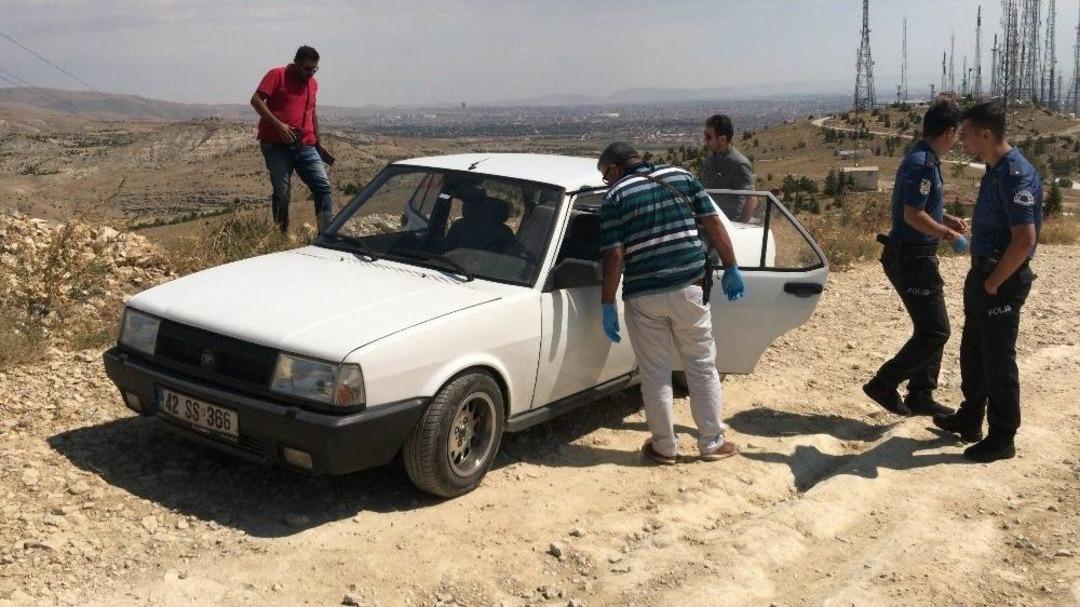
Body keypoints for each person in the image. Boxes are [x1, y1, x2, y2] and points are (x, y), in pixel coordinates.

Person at [597, 142, 746, 465]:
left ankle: (664, 447)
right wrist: (731, 266)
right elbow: (713, 224)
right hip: (689, 287)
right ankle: (712, 443)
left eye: (605, 175)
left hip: (644, 294)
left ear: (615, 168)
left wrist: (607, 303)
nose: (606, 182)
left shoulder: (616, 196)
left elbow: (615, 254)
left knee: (655, 373)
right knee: (702, 366)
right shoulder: (682, 176)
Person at [934, 102, 1042, 462]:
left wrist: (995, 282)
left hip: (1002, 278)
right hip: (985, 273)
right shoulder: (995, 169)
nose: (962, 141)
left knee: (997, 358)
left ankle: (1002, 436)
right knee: (975, 351)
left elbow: (1025, 239)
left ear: (985, 134)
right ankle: (970, 418)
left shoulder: (1015, 174)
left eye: (966, 135)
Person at [862, 99, 969, 417]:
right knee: (935, 331)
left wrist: (946, 218)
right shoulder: (922, 163)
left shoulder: (925, 159)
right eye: (957, 133)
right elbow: (912, 215)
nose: (958, 139)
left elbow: (922, 207)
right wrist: (948, 236)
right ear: (950, 131)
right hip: (911, 258)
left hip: (917, 256)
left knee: (931, 327)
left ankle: (921, 394)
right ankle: (884, 382)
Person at [250, 45, 333, 234]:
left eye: (314, 69)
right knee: (282, 192)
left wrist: (317, 141)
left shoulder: (313, 84)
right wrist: (279, 125)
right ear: (296, 63)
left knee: (323, 187)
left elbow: (312, 111)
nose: (310, 73)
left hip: (306, 145)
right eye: (306, 68)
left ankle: (326, 235)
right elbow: (256, 100)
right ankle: (281, 235)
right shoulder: (277, 75)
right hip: (276, 146)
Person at [699, 114, 758, 222]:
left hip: (729, 224)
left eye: (709, 137)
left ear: (722, 139)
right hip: (712, 222)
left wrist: (740, 226)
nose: (705, 140)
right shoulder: (710, 159)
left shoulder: (739, 163)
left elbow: (752, 199)